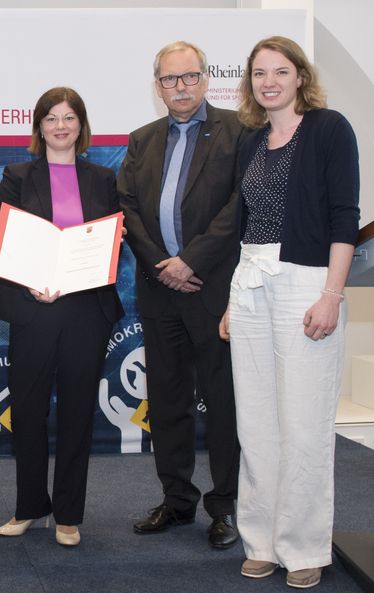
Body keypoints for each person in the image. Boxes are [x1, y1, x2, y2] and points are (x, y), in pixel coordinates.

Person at [219, 36, 359, 589]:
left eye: (280, 71)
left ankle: (302, 547)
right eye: (259, 73)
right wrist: (232, 301)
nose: (269, 82)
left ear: (301, 76)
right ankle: (261, 541)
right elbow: (245, 226)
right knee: (255, 422)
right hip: (250, 282)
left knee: (303, 424)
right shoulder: (253, 140)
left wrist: (332, 294)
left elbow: (345, 217)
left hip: (306, 281)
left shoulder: (329, 129)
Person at [118, 40, 243, 548]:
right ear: (158, 86)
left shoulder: (238, 131)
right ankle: (176, 500)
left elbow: (239, 206)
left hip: (214, 291)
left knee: (224, 403)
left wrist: (191, 261)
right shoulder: (142, 140)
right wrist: (162, 266)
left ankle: (225, 506)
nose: (181, 87)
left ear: (206, 79)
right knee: (168, 403)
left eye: (190, 76)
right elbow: (128, 209)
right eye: (170, 79)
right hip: (161, 292)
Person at [0, 87, 123, 547]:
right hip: (32, 307)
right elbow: (9, 238)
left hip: (86, 309)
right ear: (39, 127)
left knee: (77, 412)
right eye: (51, 118)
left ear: (81, 125)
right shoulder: (16, 175)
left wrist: (106, 247)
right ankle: (30, 506)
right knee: (27, 412)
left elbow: (110, 242)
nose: (60, 126)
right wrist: (30, 280)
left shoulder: (103, 178)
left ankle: (68, 513)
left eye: (69, 118)